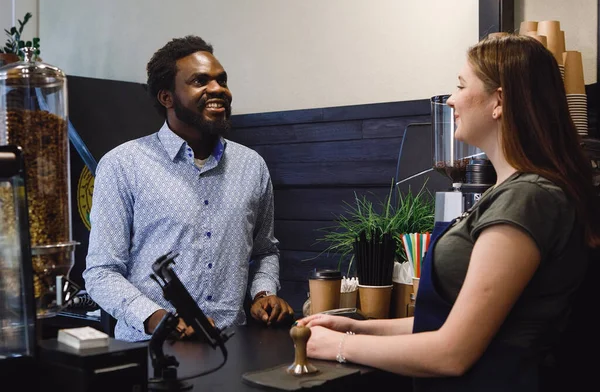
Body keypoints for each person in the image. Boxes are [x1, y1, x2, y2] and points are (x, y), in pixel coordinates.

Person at [297, 34, 600, 391]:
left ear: (499, 101)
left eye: (460, 85)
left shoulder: (527, 199)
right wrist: (359, 326)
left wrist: (341, 347)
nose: (452, 99)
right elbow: (446, 322)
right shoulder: (513, 193)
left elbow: (452, 352)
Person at [83, 35, 294, 342]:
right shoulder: (122, 166)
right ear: (166, 97)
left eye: (221, 80)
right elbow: (101, 273)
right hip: (150, 355)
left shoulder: (252, 166)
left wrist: (264, 292)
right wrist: (159, 319)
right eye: (200, 81)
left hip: (233, 350)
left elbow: (264, 251)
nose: (217, 89)